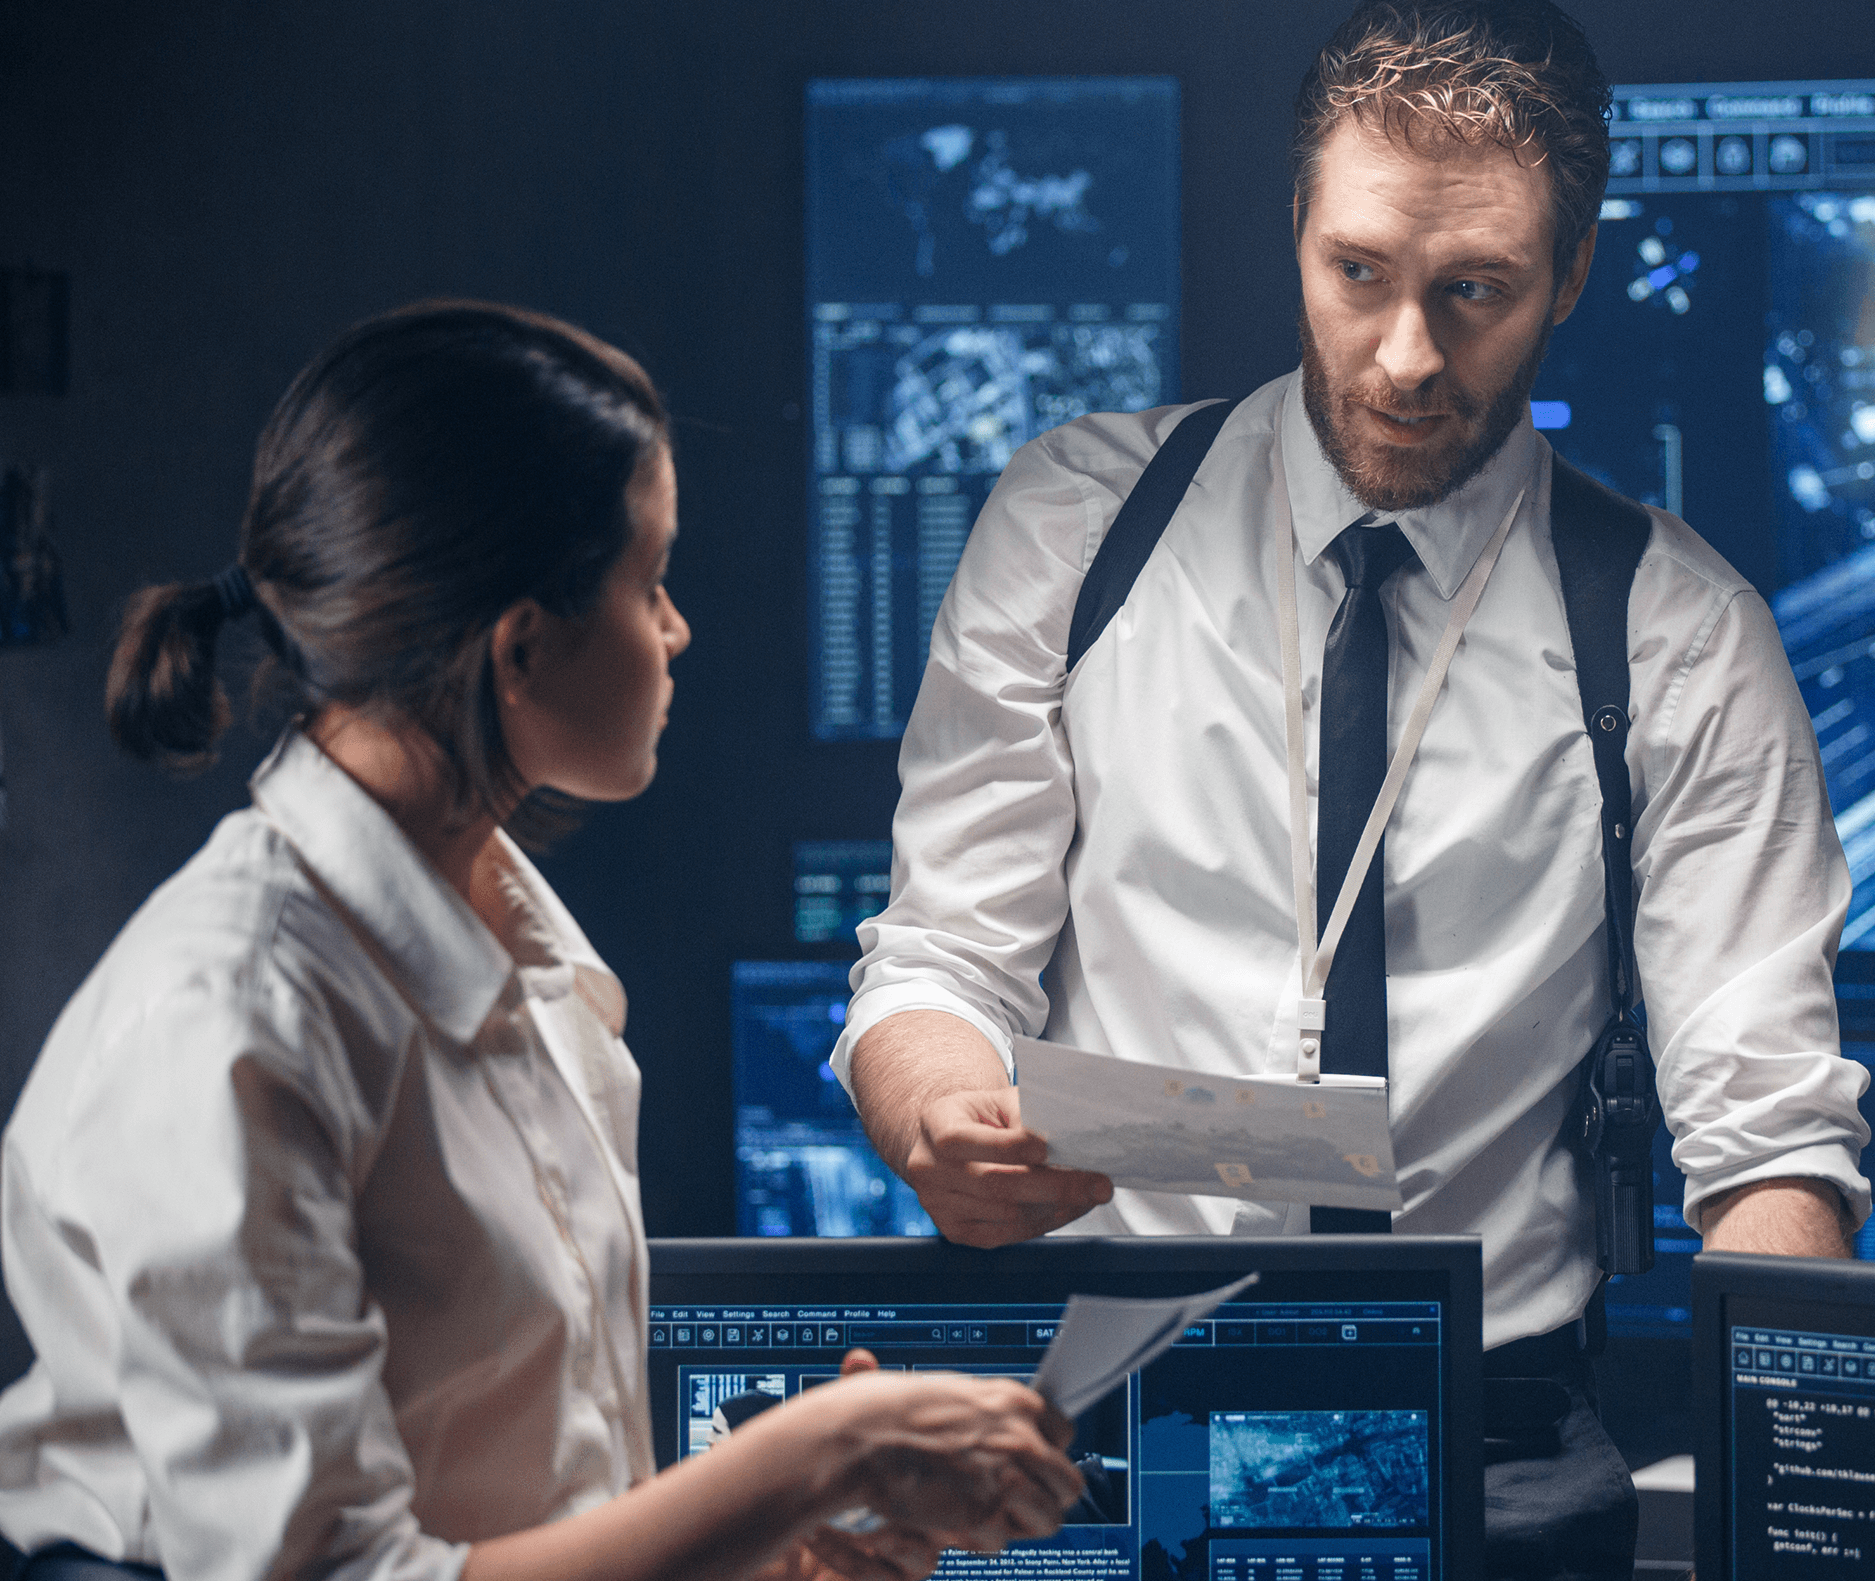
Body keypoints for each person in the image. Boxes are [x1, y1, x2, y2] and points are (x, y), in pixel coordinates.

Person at [835, 0, 1872, 1575]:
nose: (1406, 357)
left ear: (1571, 276)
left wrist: (1790, 1483)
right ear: (1298, 231)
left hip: (1495, 1432)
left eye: (1476, 292)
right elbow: (940, 955)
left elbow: (1768, 1130)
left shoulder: (1681, 632)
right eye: (1359, 274)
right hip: (1107, 1404)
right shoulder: (1078, 527)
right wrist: (930, 1119)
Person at [0, 301, 1082, 1581]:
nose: (677, 631)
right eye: (650, 581)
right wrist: (820, 1458)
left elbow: (509, 1496)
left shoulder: (511, 950)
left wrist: (765, 1544)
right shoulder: (233, 1019)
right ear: (520, 646)